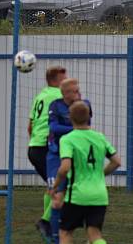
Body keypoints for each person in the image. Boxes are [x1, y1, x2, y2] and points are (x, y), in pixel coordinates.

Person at [51, 101, 120, 244]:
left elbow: (65, 167)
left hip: (77, 195)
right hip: (99, 195)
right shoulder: (99, 137)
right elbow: (116, 162)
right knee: (94, 235)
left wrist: (56, 185)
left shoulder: (68, 139)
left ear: (70, 118)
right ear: (89, 116)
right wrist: (101, 174)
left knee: (65, 232)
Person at [46, 78, 91, 243]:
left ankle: (91, 236)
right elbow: (53, 128)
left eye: (79, 90)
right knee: (57, 201)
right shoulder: (55, 105)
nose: (79, 93)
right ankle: (55, 239)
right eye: (75, 91)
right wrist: (74, 128)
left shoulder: (84, 105)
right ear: (66, 94)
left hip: (77, 154)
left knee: (85, 198)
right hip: (56, 155)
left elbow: (87, 125)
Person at [28, 65, 67, 241]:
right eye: (64, 79)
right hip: (46, 148)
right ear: (56, 81)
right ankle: (46, 222)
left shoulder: (40, 96)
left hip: (34, 147)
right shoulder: (57, 96)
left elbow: (30, 126)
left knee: (53, 186)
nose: (66, 82)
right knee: (63, 187)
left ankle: (49, 229)